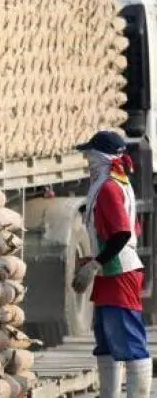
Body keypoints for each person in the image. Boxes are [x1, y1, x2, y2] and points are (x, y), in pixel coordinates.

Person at [72, 130, 151, 398]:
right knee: (106, 340)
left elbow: (121, 234)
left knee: (128, 338)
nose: (87, 160)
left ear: (100, 157)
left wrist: (95, 265)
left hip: (119, 272)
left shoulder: (108, 188)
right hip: (110, 272)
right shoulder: (114, 182)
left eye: (90, 155)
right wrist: (92, 260)